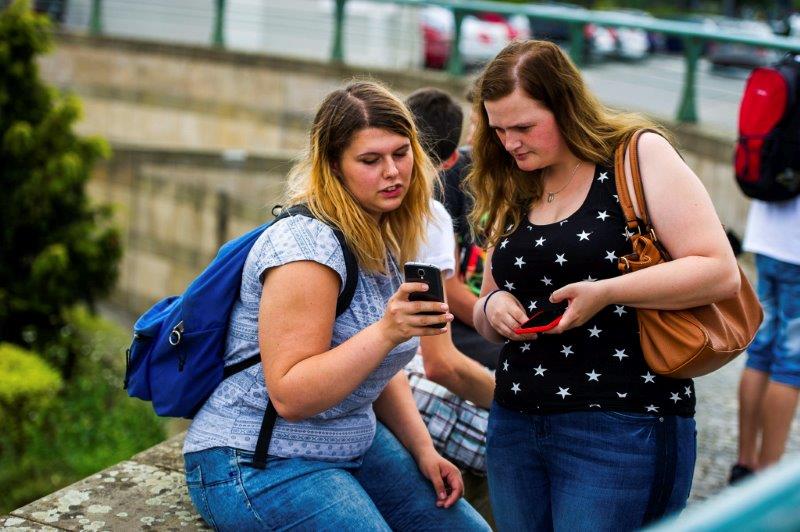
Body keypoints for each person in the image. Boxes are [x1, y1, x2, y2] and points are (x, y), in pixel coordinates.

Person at [181, 81, 490, 531]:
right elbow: (290, 394)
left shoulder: (383, 231)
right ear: (334, 168)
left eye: (400, 153)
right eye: (370, 160)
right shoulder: (306, 249)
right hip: (257, 458)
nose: (392, 172)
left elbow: (377, 369)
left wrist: (423, 448)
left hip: (349, 441)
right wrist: (387, 330)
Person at [466, 40, 741, 531]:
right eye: (499, 129)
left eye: (524, 127)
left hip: (621, 421)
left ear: (566, 105)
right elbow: (487, 300)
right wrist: (492, 308)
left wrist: (608, 291)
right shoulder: (513, 176)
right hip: (514, 418)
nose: (510, 143)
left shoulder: (636, 155)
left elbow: (719, 270)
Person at [406, 87, 503, 371]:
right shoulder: (455, 176)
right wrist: (498, 326)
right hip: (466, 323)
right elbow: (448, 286)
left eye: (480, 128)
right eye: (472, 125)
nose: (471, 139)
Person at [732, 195, 800, 483]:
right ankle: (766, 476)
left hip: (766, 237)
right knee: (791, 365)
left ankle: (744, 464)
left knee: (760, 353)